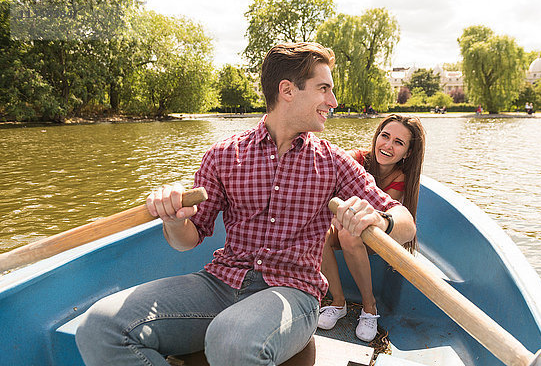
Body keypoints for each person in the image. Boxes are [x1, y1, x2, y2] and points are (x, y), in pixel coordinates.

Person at [74, 42, 416, 366]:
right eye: (324, 88)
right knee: (100, 327)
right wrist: (174, 219)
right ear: (287, 91)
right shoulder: (223, 155)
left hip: (293, 291)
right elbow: (188, 240)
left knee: (232, 339)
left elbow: (405, 222)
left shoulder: (334, 162)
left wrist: (382, 220)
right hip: (220, 282)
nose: (334, 100)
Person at [318, 114, 425, 342]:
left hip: (376, 236)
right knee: (320, 232)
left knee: (349, 234)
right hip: (347, 225)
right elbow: (330, 181)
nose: (387, 145)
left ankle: (370, 308)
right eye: (384, 136)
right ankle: (338, 303)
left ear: (407, 153)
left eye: (398, 142)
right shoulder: (356, 158)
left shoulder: (401, 178)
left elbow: (380, 212)